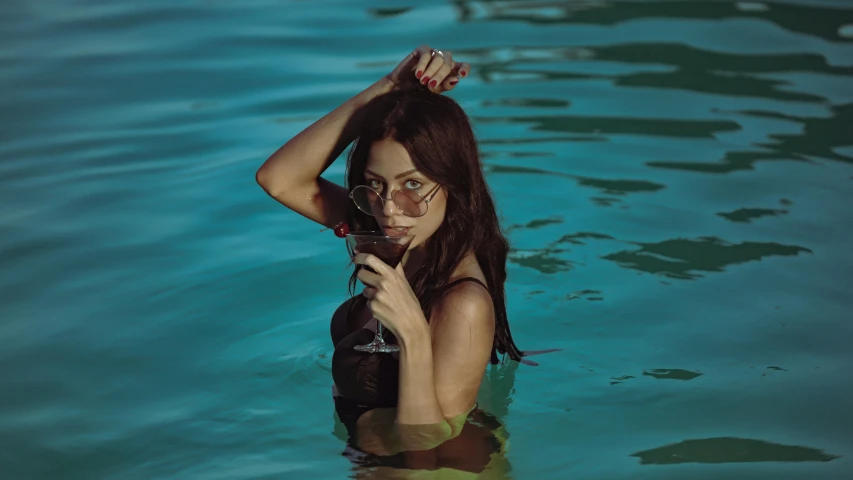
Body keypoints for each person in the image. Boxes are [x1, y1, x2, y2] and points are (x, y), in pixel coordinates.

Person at [256, 45, 537, 475]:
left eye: (412, 184)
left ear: (452, 184)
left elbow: (426, 441)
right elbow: (279, 179)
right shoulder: (386, 231)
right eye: (375, 183)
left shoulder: (463, 302)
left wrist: (413, 334)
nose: (390, 208)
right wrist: (389, 88)